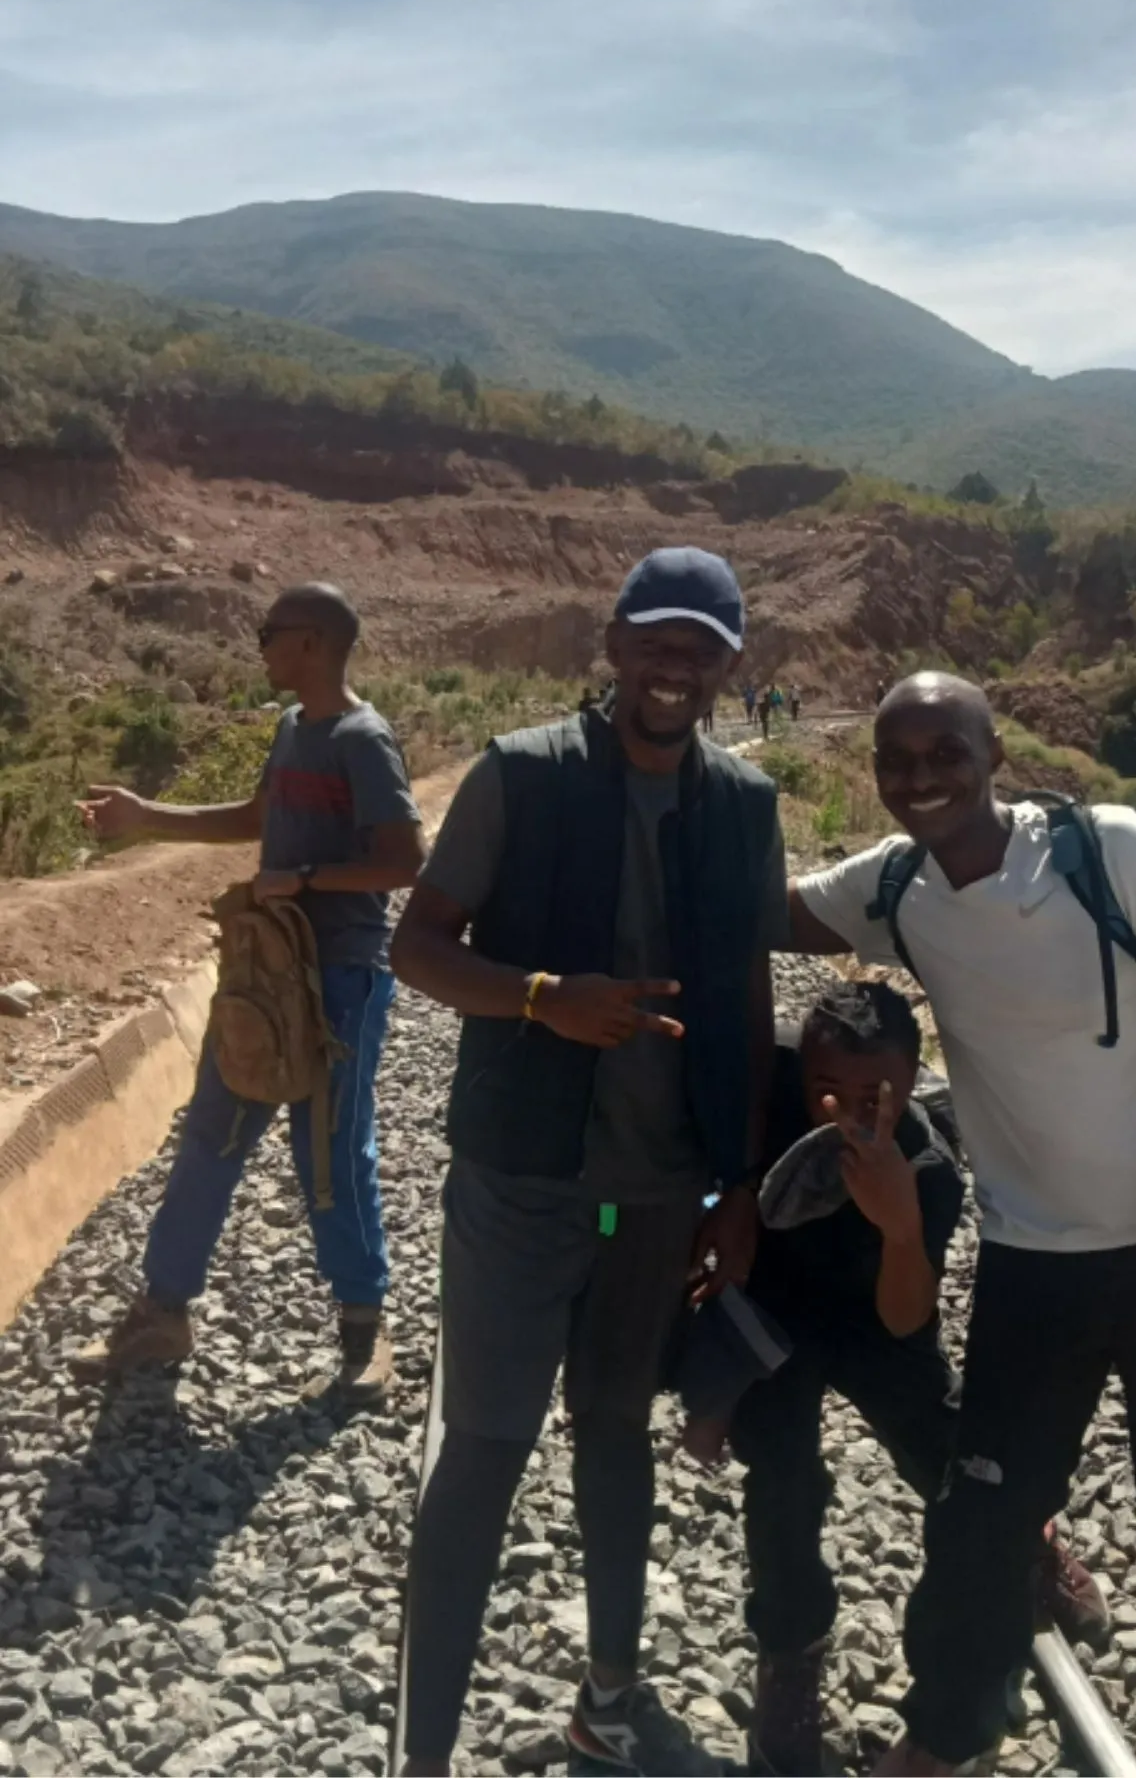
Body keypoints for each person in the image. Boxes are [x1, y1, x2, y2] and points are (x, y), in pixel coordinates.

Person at [788, 674, 1136, 1777]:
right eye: (898, 758)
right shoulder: (892, 884)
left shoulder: (1105, 850)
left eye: (944, 750)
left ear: (992, 753)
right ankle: (946, 1731)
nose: (921, 776)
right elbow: (752, 905)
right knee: (983, 1510)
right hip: (1035, 1262)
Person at [392, 547, 787, 1777]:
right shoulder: (521, 774)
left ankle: (609, 1698)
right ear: (612, 645)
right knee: (484, 1448)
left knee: (614, 1431)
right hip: (522, 1182)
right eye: (653, 640)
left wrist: (737, 1189)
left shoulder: (743, 804)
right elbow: (416, 945)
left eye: (699, 646)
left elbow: (751, 992)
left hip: (653, 1200)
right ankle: (422, 1749)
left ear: (729, 666)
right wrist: (541, 998)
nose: (673, 665)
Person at [676, 982, 1106, 1777]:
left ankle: (1035, 1547)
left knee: (950, 1455)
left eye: (878, 1095)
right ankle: (790, 1654)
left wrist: (899, 1222)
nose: (848, 1109)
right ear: (799, 1071)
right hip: (774, 1315)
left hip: (875, 1321)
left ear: (910, 1085)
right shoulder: (762, 1088)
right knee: (780, 1482)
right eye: (825, 1090)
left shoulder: (928, 1167)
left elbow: (908, 1318)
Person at [71, 584, 426, 1403]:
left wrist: (303, 878)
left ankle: (366, 1331)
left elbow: (404, 862)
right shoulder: (291, 731)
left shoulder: (364, 740)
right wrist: (144, 816)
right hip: (266, 974)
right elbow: (257, 816)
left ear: (311, 642)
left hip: (340, 974)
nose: (259, 646)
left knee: (330, 1150)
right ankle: (163, 1313)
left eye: (270, 634)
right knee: (212, 1132)